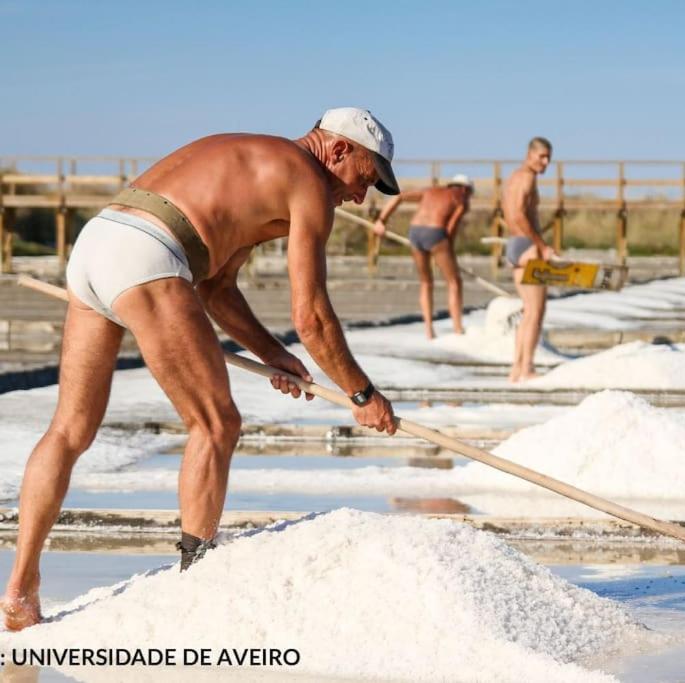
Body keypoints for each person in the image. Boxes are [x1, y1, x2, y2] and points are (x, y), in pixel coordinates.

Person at [2, 107, 401, 631]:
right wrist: (362, 394)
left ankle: (20, 588)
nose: (359, 197)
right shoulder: (305, 179)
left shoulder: (252, 161)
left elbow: (216, 289)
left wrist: (269, 353)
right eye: (365, 178)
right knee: (216, 424)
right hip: (150, 254)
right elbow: (313, 317)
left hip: (99, 243)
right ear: (340, 150)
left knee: (69, 430)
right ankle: (197, 581)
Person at [373, 175, 474, 339]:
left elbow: (399, 196)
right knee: (454, 281)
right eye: (470, 193)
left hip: (415, 232)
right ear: (465, 188)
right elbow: (450, 231)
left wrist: (381, 221)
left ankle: (429, 330)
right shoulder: (461, 199)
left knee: (426, 282)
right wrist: (445, 252)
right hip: (436, 233)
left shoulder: (431, 191)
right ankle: (457, 328)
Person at [501, 137, 555, 382]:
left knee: (528, 311)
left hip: (514, 245)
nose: (545, 162)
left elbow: (510, 213)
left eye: (548, 158)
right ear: (530, 154)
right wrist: (541, 245)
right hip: (527, 245)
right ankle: (527, 368)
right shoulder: (527, 177)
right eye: (541, 156)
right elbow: (519, 214)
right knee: (536, 310)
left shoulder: (513, 176)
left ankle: (517, 368)